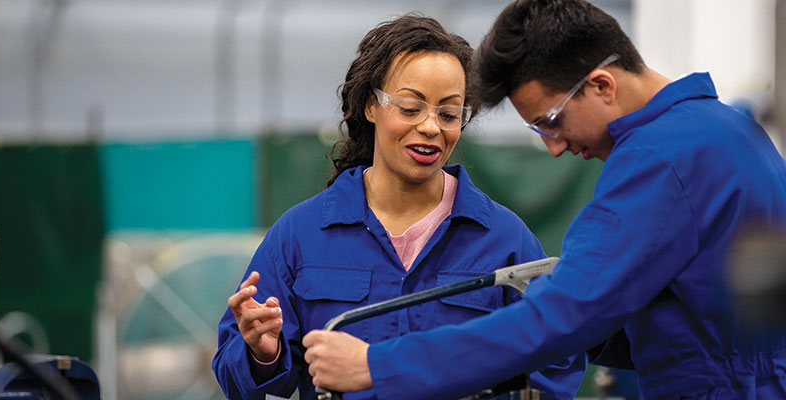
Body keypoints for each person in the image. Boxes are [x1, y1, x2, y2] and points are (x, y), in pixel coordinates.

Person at [301, 1, 786, 399]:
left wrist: (377, 364)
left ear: (601, 84)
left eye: (551, 121)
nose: (554, 146)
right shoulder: (731, 131)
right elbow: (699, 313)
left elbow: (559, 319)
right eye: (538, 131)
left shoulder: (659, 162)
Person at [212, 14, 585, 400]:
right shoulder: (299, 236)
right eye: (410, 107)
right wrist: (262, 351)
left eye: (449, 113)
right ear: (370, 106)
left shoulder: (504, 240)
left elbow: (557, 362)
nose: (430, 127)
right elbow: (233, 374)